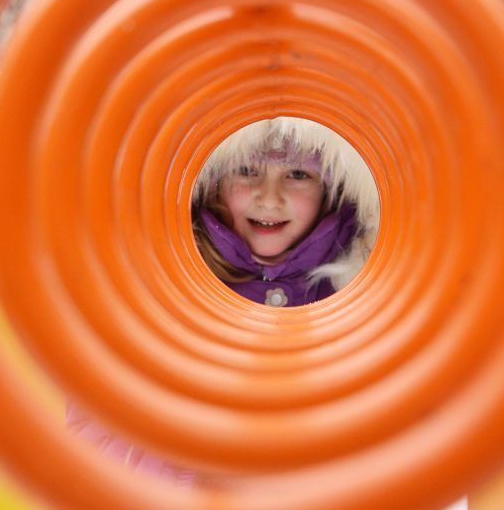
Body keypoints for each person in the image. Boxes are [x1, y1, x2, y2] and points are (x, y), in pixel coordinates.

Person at [68, 117, 379, 481]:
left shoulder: (361, 292)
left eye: (298, 174)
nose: (270, 197)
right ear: (210, 183)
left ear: (333, 189)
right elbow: (99, 431)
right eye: (246, 170)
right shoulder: (162, 291)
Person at [192, 116, 379, 306]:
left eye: (297, 174)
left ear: (328, 191)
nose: (270, 201)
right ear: (212, 187)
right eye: (247, 171)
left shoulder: (370, 289)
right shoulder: (179, 289)